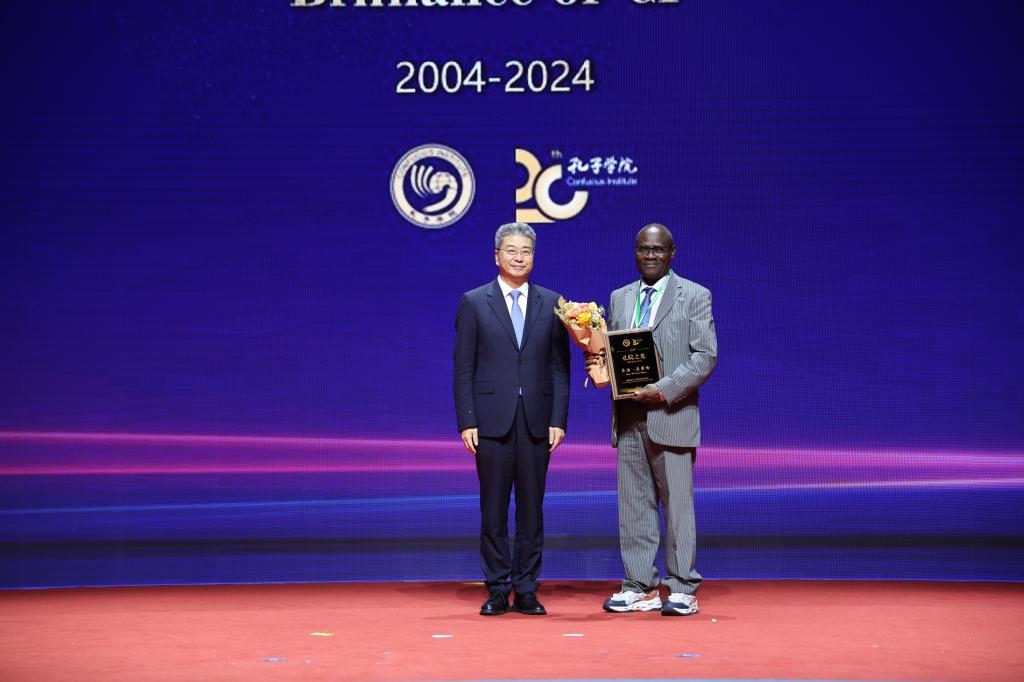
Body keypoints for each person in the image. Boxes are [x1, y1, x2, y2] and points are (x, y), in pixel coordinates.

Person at [588, 223, 717, 616]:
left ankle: (682, 588)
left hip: (671, 413)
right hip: (629, 417)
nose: (650, 255)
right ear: (635, 251)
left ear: (672, 252)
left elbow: (705, 356)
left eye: (658, 249)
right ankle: (640, 585)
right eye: (643, 249)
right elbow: (614, 351)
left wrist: (662, 389)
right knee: (634, 506)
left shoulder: (694, 295)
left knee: (678, 507)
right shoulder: (620, 297)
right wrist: (599, 366)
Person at [454, 222, 570, 616]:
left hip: (537, 420)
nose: (519, 258)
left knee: (532, 510)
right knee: (493, 509)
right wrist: (467, 420)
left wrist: (558, 418)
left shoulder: (552, 302)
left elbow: (559, 368)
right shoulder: (474, 302)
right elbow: (463, 368)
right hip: (490, 422)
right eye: (512, 250)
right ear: (497, 256)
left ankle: (527, 588)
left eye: (526, 251)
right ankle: (497, 588)